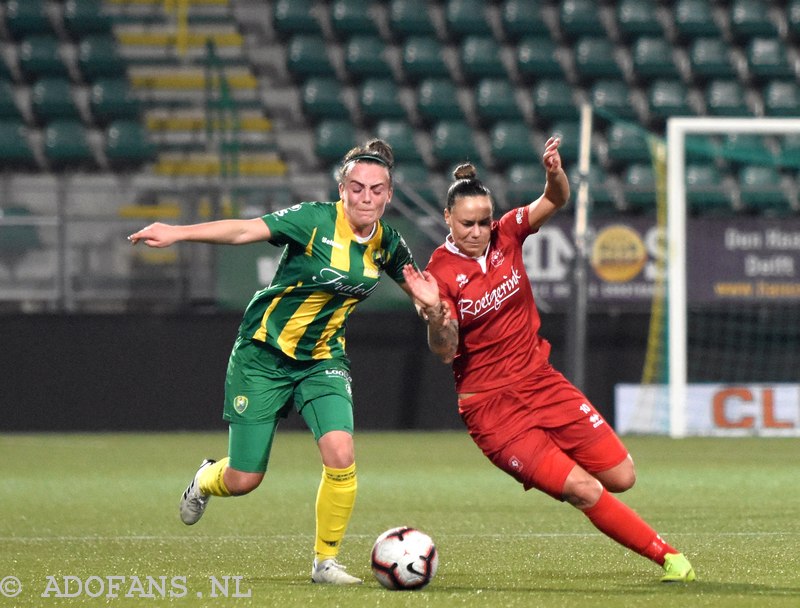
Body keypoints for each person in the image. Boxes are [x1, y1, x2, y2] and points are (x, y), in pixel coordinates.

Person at [402, 137, 696, 583]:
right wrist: (436, 314)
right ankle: (668, 557)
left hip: (542, 383)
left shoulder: (508, 231)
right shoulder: (438, 274)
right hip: (493, 410)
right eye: (467, 224)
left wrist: (554, 172)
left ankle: (554, 455)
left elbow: (555, 198)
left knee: (622, 476)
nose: (478, 231)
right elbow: (444, 349)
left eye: (483, 221)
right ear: (447, 219)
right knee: (583, 488)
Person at [129, 139, 419, 585]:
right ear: (342, 189)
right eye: (357, 188)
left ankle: (325, 563)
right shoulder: (312, 221)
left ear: (389, 194)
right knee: (245, 478)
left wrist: (442, 306)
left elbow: (423, 290)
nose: (366, 198)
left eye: (376, 190)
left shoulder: (389, 244)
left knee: (341, 453)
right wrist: (178, 233)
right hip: (262, 356)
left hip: (323, 359)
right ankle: (206, 479)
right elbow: (244, 231)